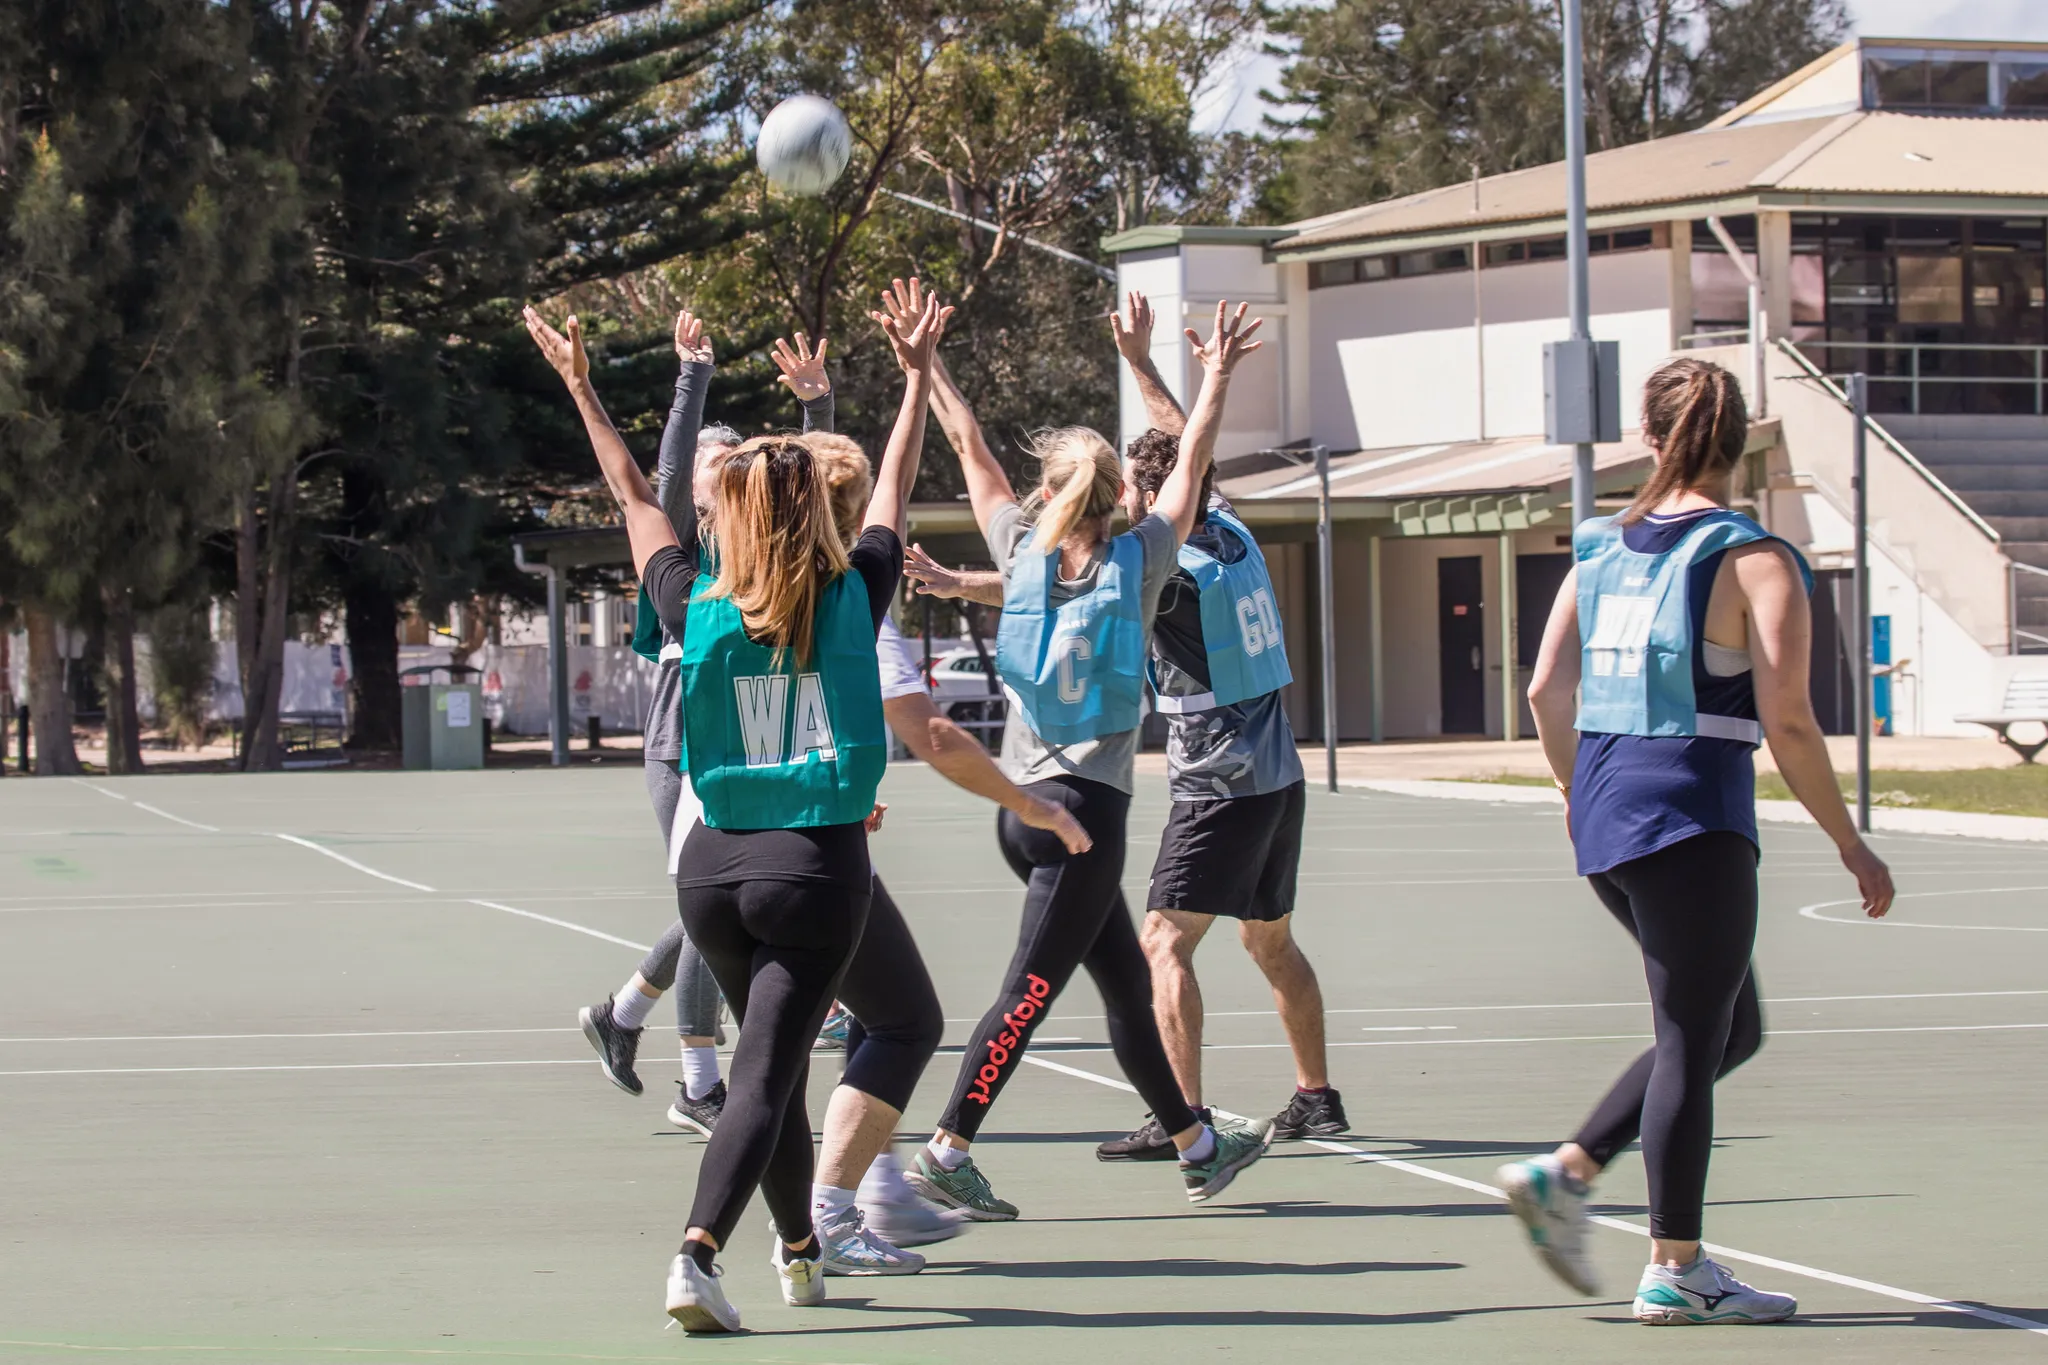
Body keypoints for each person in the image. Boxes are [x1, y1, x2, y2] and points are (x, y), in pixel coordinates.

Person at [524, 280, 948, 1333]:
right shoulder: (851, 594)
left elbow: (634, 497)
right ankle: (697, 1254)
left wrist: (581, 388)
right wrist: (915, 377)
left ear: (729, 520)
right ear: (815, 517)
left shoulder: (692, 605)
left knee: (777, 1070)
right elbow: (893, 486)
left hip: (708, 873)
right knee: (776, 1070)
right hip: (812, 870)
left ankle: (799, 1247)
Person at [906, 290, 1345, 1161]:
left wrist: (926, 370)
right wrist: (1165, 367)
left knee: (1155, 945)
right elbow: (1192, 451)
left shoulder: (1151, 571)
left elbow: (1010, 494)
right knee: (1266, 939)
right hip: (1277, 771)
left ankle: (1154, 1120)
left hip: (1205, 780)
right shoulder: (1223, 532)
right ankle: (1301, 1099)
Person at [1501, 355, 1894, 1326]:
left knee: (1727, 1027)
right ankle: (1674, 1265)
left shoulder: (1598, 546)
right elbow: (1788, 720)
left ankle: (1569, 1169)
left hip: (1606, 811)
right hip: (1690, 813)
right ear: (1741, 441)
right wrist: (1849, 842)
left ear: (1646, 435)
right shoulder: (1754, 557)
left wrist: (1571, 788)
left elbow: (1544, 689)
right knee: (1689, 1037)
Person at [576, 324, 848, 1138]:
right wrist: (692, 375)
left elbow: (817, 484)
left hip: (760, 729)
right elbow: (657, 478)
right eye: (713, 461)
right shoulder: (684, 543)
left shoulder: (764, 538)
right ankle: (698, 1082)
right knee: (714, 902)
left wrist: (817, 408)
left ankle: (626, 1014)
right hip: (682, 735)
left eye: (736, 461)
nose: (727, 470)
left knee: (725, 900)